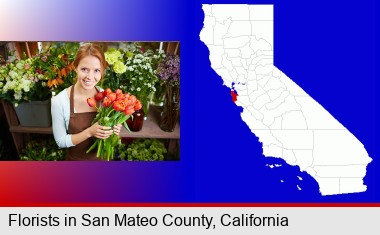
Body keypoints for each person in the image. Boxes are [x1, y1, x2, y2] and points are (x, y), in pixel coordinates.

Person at [51, 43, 122, 160]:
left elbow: (110, 135)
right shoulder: (59, 101)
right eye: (84, 69)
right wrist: (89, 132)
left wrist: (114, 129)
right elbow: (61, 141)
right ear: (75, 68)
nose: (90, 76)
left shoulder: (106, 96)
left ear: (102, 71)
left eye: (96, 70)